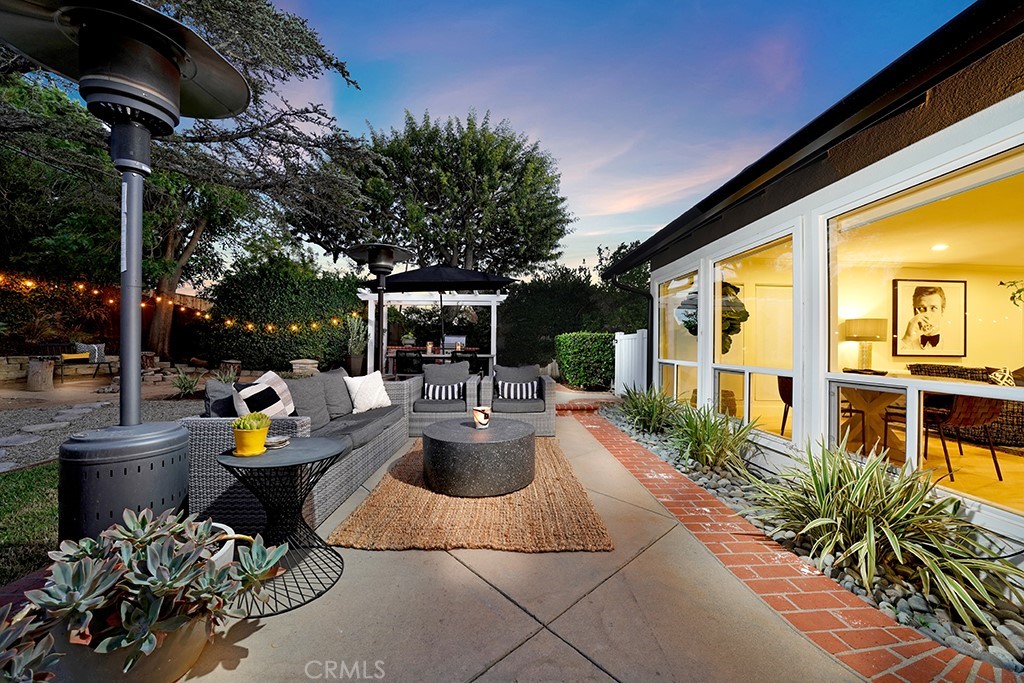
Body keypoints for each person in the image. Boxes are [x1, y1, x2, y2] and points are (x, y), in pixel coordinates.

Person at [900, 285, 946, 351]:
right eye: (921, 308)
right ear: (915, 312)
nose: (927, 314)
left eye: (933, 308)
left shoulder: (954, 345)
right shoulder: (905, 343)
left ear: (942, 311)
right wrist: (907, 339)